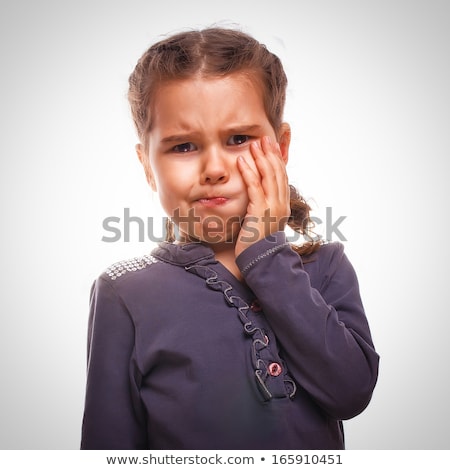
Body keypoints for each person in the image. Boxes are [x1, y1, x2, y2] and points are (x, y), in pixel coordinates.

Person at [80, 27, 379, 450]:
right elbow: (106, 447)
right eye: (183, 146)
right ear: (147, 166)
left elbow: (351, 392)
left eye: (238, 139)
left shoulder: (325, 267)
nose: (214, 168)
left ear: (282, 147)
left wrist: (266, 254)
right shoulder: (124, 292)